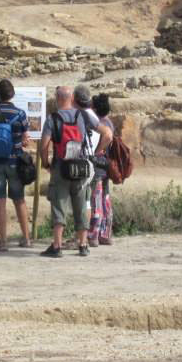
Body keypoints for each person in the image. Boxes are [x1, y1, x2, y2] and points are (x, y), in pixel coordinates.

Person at [38, 86, 113, 258]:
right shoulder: (82, 115)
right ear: (71, 98)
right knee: (81, 205)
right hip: (81, 166)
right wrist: (96, 153)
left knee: (59, 206)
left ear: (57, 98)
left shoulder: (52, 118)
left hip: (60, 167)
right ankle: (83, 245)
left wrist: (46, 163)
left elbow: (44, 145)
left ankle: (56, 246)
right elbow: (107, 134)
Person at [0, 79, 31, 251]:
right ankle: (26, 238)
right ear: (13, 94)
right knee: (19, 200)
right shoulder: (21, 114)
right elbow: (25, 136)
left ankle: (3, 241)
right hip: (15, 161)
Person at [87, 93, 115, 246]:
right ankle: (106, 234)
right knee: (105, 199)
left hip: (97, 165)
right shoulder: (109, 122)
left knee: (96, 200)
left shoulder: (97, 124)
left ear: (95, 108)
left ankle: (93, 235)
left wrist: (96, 151)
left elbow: (108, 138)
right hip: (106, 165)